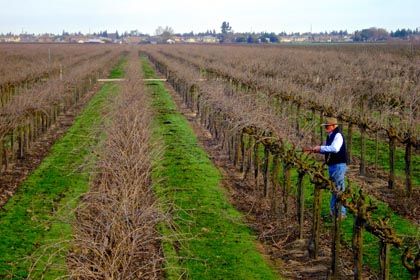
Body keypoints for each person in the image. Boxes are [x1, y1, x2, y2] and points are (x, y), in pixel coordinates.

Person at [311, 117, 348, 219]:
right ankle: (334, 211)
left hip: (338, 165)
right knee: (334, 188)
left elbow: (335, 149)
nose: (326, 128)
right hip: (333, 165)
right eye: (325, 126)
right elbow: (329, 149)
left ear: (334, 126)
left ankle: (341, 213)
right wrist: (319, 150)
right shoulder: (330, 135)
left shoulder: (338, 135)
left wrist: (321, 148)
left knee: (339, 188)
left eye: (328, 126)